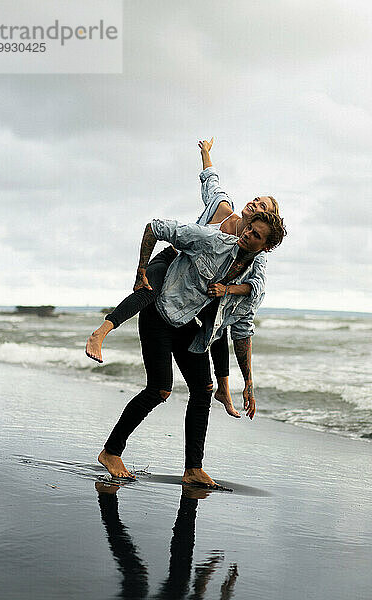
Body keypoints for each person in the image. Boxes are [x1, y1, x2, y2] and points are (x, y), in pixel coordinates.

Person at [86, 138, 280, 417]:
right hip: (173, 260)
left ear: (265, 224)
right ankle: (101, 332)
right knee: (150, 288)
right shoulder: (222, 209)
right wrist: (205, 153)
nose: (255, 203)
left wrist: (229, 290)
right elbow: (211, 182)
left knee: (220, 321)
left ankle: (223, 387)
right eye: (256, 199)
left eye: (262, 206)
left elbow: (255, 289)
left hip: (203, 286)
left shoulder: (253, 251)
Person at [98, 210, 287, 487]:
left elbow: (242, 330)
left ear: (266, 248)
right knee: (160, 388)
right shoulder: (215, 240)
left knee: (203, 390)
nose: (246, 234)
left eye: (255, 235)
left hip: (184, 321)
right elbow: (155, 227)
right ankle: (111, 452)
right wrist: (141, 270)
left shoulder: (253, 283)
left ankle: (193, 469)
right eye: (248, 229)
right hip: (159, 311)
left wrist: (248, 383)